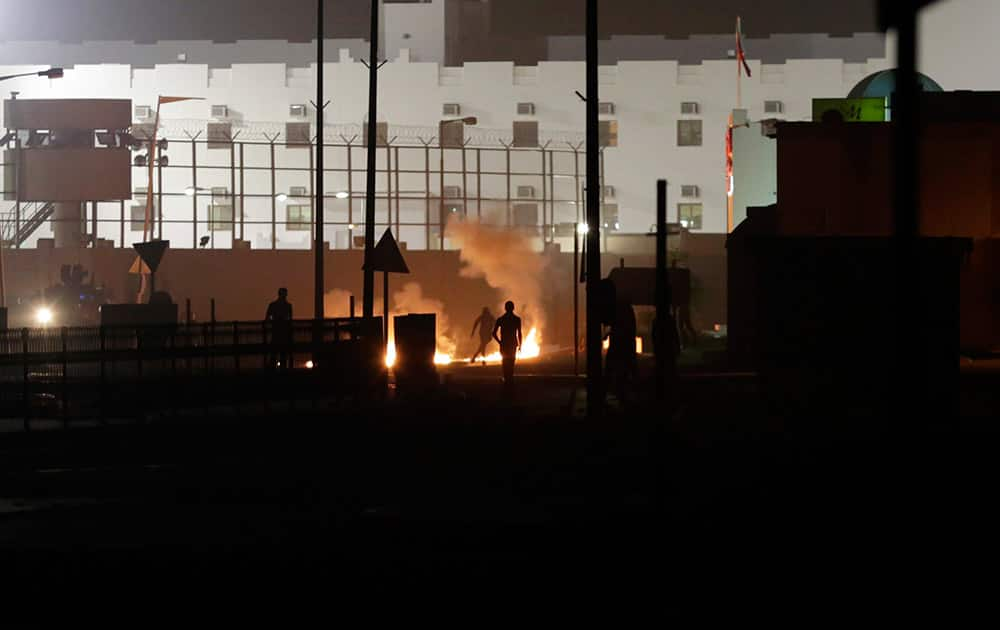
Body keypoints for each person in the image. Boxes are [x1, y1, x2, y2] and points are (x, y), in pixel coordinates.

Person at [605, 300, 637, 403]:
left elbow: (612, 324)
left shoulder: (619, 310)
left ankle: (616, 392)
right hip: (625, 345)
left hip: (619, 344)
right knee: (624, 369)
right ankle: (624, 393)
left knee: (613, 368)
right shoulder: (627, 311)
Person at [491, 301, 523, 395]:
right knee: (511, 363)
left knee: (505, 363)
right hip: (513, 344)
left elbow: (494, 333)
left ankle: (506, 381)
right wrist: (520, 345)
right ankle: (510, 381)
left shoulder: (501, 319)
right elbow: (519, 333)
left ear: (505, 308)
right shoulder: (517, 319)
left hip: (504, 344)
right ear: (513, 308)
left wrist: (500, 342)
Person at [265, 287, 293, 369]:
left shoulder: (272, 305)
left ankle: (272, 370)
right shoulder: (288, 306)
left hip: (276, 332)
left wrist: (273, 322)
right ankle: (282, 371)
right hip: (283, 332)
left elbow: (267, 318)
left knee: (274, 354)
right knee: (282, 354)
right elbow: (290, 320)